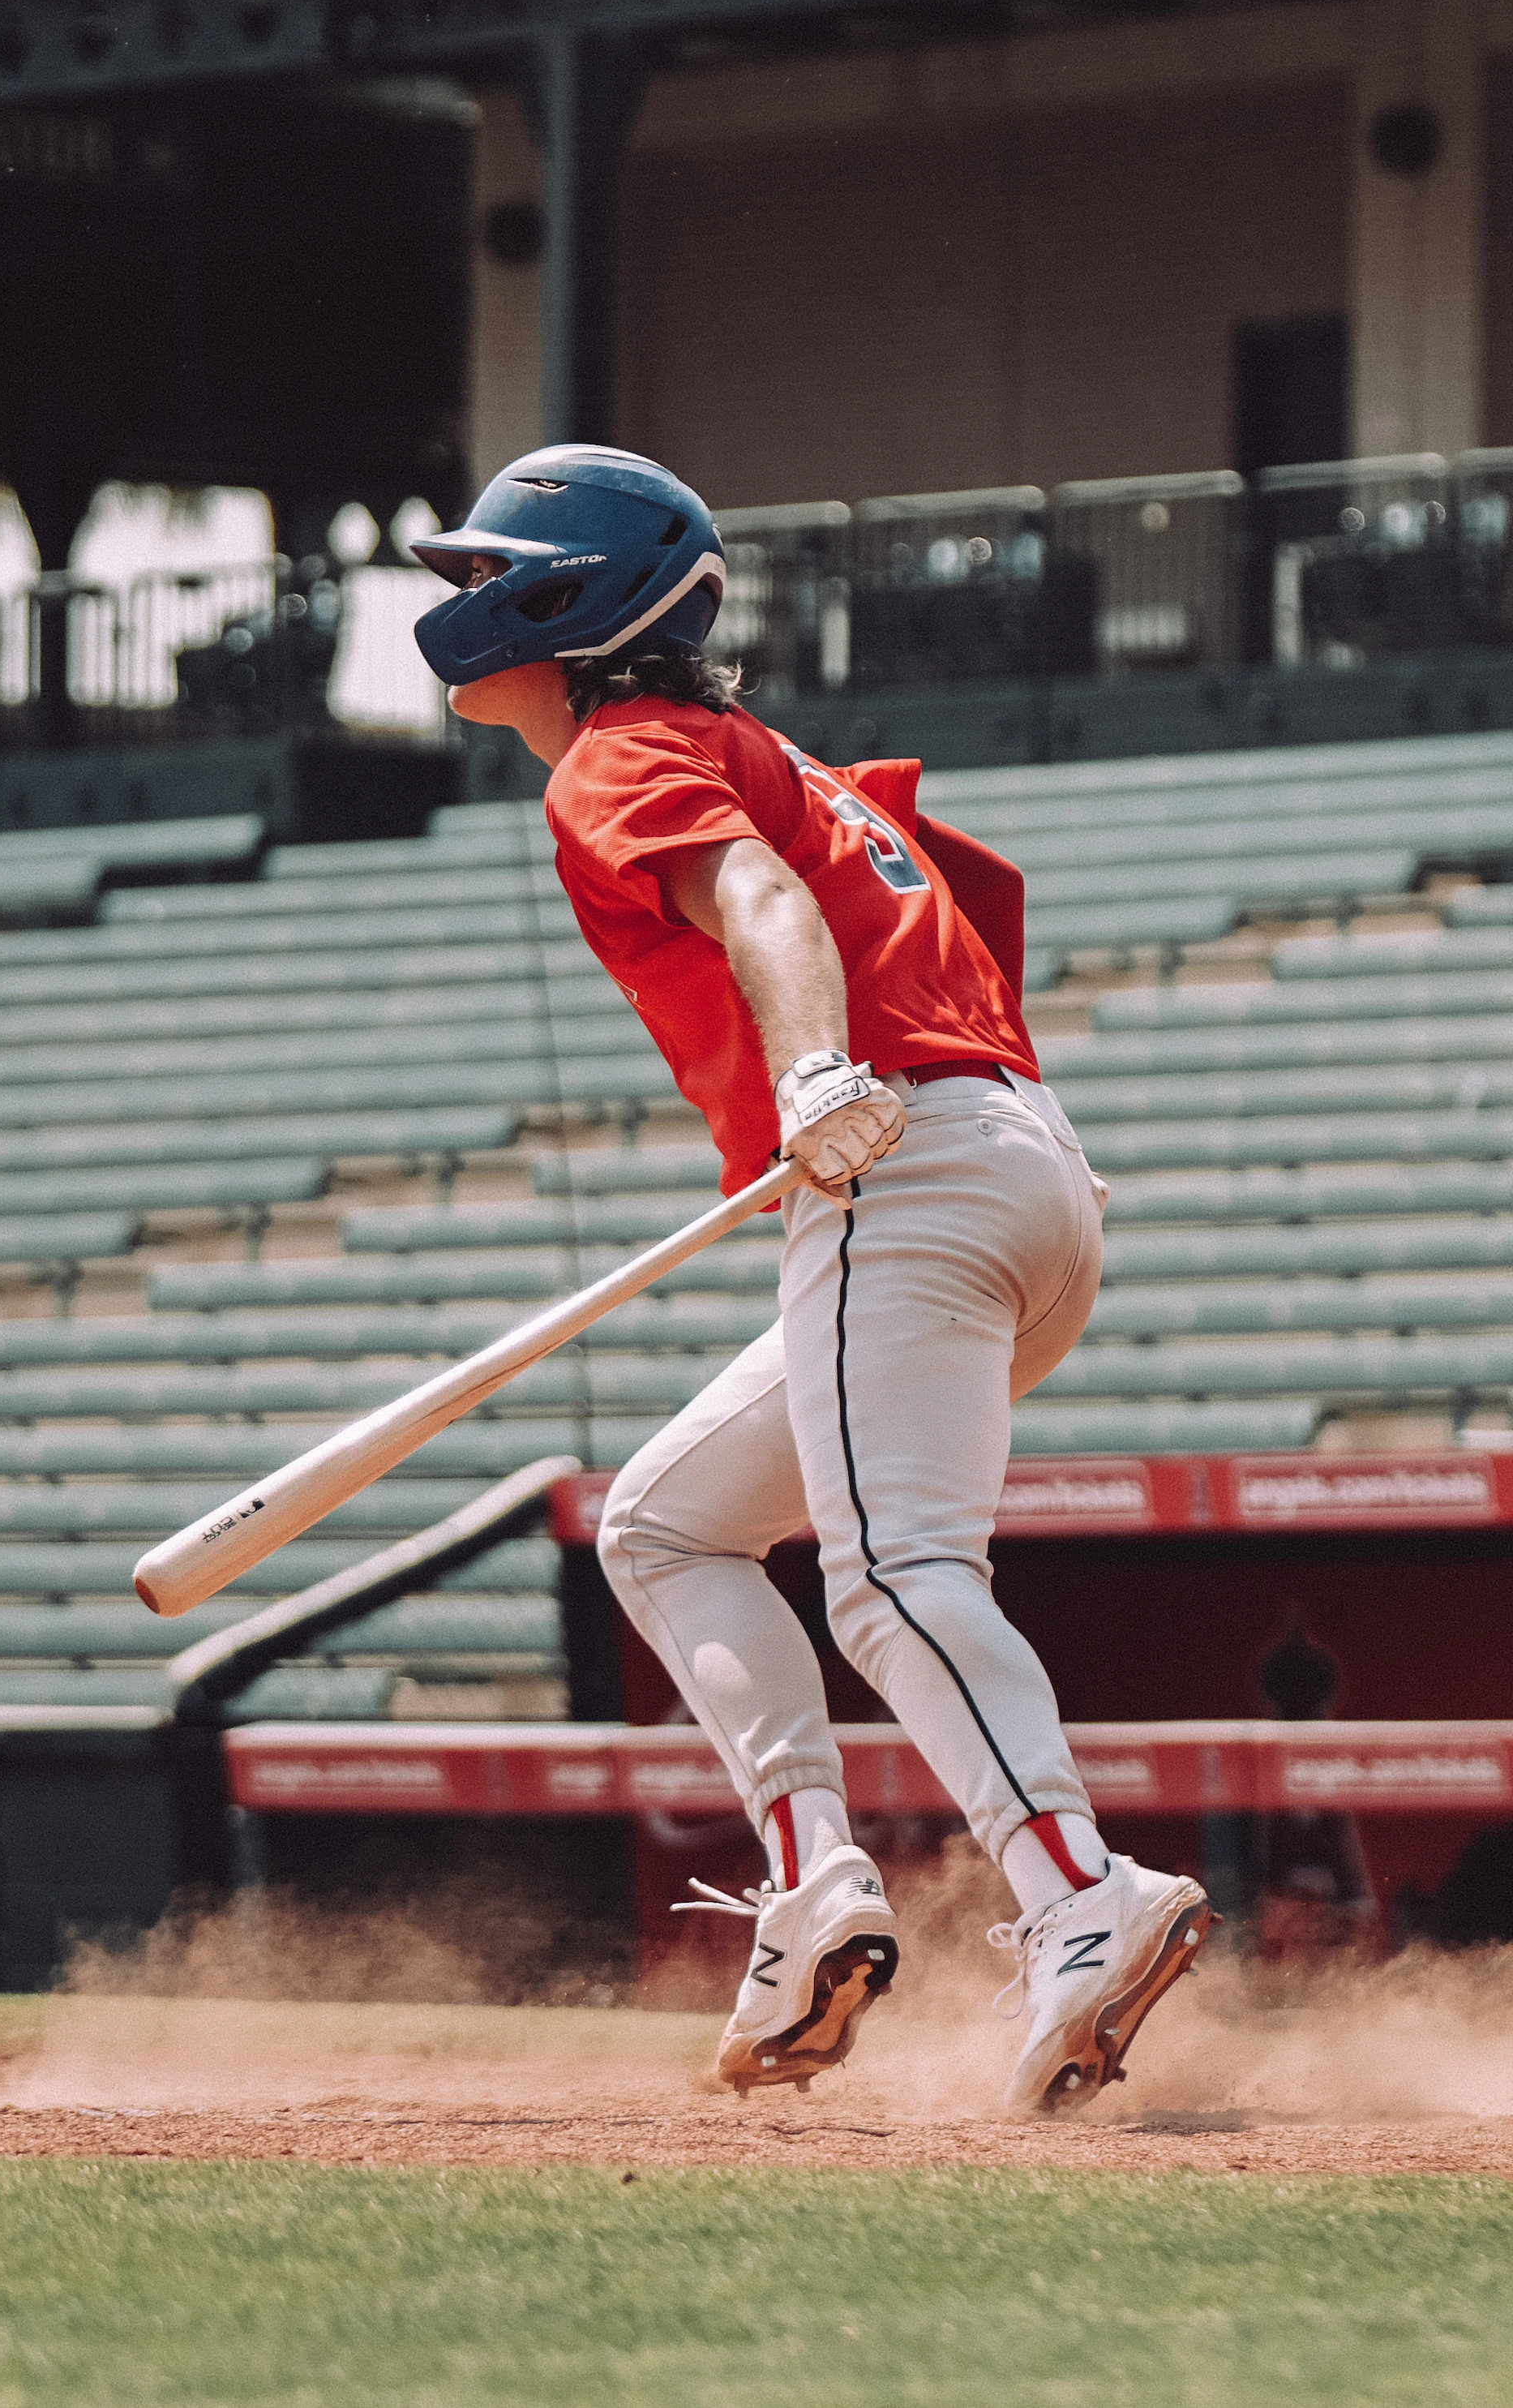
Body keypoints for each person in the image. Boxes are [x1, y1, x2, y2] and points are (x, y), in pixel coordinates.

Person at [412, 444, 1213, 2112]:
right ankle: (814, 1885)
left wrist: (816, 1082)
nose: (458, 600)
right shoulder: (768, 749)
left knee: (892, 1572)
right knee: (663, 1520)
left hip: (899, 1163)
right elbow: (960, 901)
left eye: (488, 572)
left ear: (571, 597)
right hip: (1010, 1168)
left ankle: (1080, 1891)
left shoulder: (626, 749)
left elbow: (766, 901)